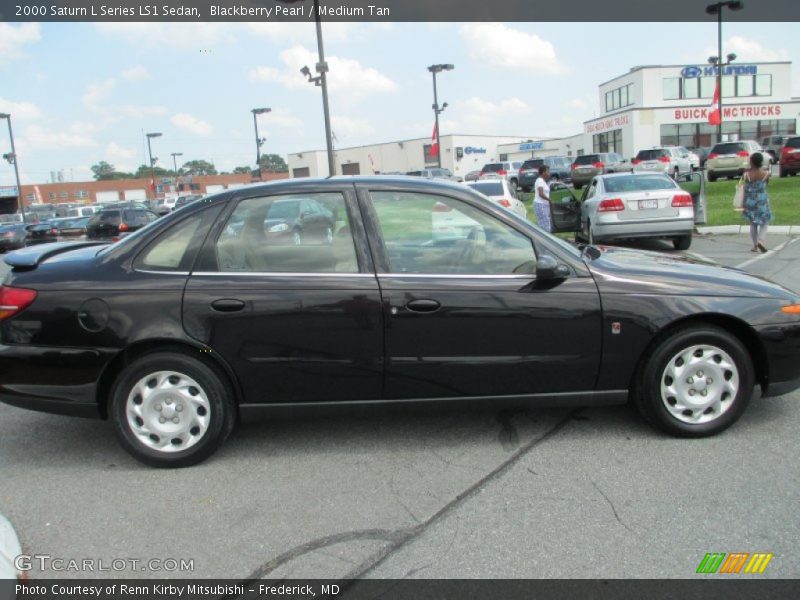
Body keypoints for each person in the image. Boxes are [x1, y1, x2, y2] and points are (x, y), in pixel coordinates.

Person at [742, 152, 772, 253]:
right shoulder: (766, 174)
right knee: (765, 221)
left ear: (751, 162)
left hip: (750, 200)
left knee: (753, 223)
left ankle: (755, 245)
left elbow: (745, 187)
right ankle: (761, 241)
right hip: (761, 200)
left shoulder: (747, 174)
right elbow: (766, 184)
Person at [533, 165, 552, 232]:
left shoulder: (543, 181)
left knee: (545, 224)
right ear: (543, 172)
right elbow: (541, 194)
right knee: (544, 226)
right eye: (548, 172)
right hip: (540, 205)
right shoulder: (540, 181)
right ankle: (544, 240)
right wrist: (549, 200)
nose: (549, 174)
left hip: (543, 205)